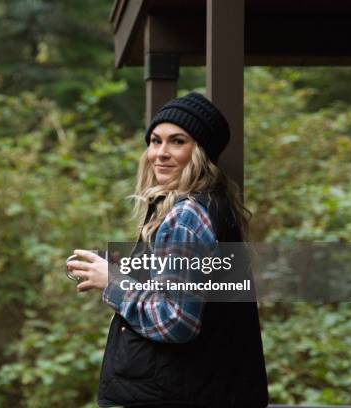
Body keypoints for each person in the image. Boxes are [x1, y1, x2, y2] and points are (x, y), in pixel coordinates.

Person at [66, 93, 269, 408]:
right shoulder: (214, 207)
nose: (160, 153)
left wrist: (112, 282)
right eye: (155, 141)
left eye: (177, 141)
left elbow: (174, 320)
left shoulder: (186, 215)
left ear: (200, 151)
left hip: (175, 396)